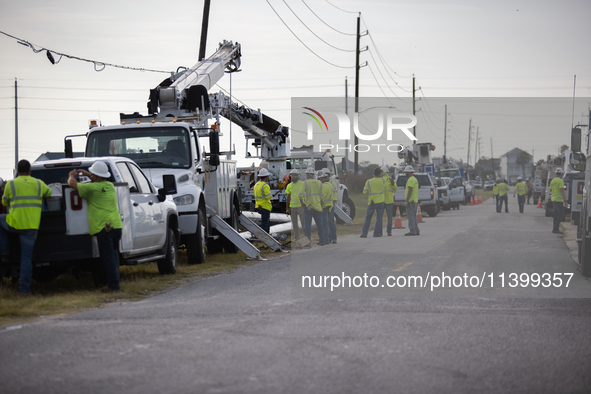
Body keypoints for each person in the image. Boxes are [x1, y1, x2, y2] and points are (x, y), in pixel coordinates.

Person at [68, 162, 123, 292]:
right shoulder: (109, 185)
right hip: (116, 226)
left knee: (108, 258)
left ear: (96, 176)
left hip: (104, 227)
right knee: (113, 257)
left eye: (93, 174)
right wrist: (89, 174)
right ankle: (115, 283)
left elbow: (72, 184)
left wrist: (71, 175)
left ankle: (114, 286)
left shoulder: (91, 189)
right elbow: (99, 180)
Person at [0, 160, 52, 295]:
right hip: (31, 226)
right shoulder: (39, 183)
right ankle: (24, 290)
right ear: (29, 170)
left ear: (17, 170)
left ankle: (4, 252)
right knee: (26, 258)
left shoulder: (10, 184)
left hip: (14, 224)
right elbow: (49, 193)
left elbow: (5, 201)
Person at [299, 168, 325, 247]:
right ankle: (322, 241)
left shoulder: (305, 183)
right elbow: (322, 196)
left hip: (309, 207)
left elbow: (300, 195)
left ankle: (307, 242)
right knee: (320, 224)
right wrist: (321, 205)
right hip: (318, 207)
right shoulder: (319, 183)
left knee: (307, 225)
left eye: (306, 174)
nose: (306, 176)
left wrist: (303, 204)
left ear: (308, 175)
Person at [361, 166, 386, 238]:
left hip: (372, 202)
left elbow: (364, 192)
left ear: (373, 173)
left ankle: (364, 233)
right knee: (379, 219)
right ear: (380, 173)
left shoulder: (368, 182)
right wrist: (382, 171)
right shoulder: (383, 180)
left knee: (368, 218)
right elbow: (386, 176)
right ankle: (376, 233)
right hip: (381, 202)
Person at [285, 169, 304, 241]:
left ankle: (306, 236)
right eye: (292, 175)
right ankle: (297, 237)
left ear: (298, 176)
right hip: (292, 207)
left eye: (295, 175)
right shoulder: (289, 186)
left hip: (301, 206)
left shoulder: (302, 184)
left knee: (303, 222)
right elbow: (288, 197)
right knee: (294, 224)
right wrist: (287, 208)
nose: (293, 177)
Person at [321, 168, 338, 244]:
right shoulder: (322, 184)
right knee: (326, 223)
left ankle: (333, 238)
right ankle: (328, 237)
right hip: (326, 206)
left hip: (330, 206)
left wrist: (331, 204)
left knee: (330, 222)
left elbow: (335, 196)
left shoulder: (333, 184)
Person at [254, 168, 272, 234]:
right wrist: (270, 194)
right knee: (265, 225)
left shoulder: (256, 185)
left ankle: (264, 238)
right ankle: (266, 238)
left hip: (258, 206)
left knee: (263, 223)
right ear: (266, 177)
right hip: (265, 207)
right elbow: (268, 196)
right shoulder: (265, 185)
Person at [403, 166, 420, 236]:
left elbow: (410, 190)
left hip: (411, 201)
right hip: (415, 200)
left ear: (409, 172)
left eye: (406, 172)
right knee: (414, 216)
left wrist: (407, 200)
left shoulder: (410, 180)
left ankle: (412, 230)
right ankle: (416, 230)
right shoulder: (415, 179)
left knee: (410, 216)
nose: (405, 173)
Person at [550, 168, 567, 234]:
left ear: (555, 173)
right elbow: (562, 191)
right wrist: (565, 201)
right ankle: (555, 228)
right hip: (559, 200)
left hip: (553, 199)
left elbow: (551, 190)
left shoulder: (553, 180)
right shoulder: (560, 181)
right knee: (561, 214)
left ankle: (555, 228)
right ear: (561, 174)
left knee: (556, 215)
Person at [382, 165, 397, 236]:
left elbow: (395, 189)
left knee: (388, 217)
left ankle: (388, 231)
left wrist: (393, 183)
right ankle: (384, 231)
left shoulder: (390, 180)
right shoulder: (381, 180)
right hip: (382, 200)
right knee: (386, 217)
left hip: (387, 201)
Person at [319, 171, 333, 245]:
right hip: (329, 206)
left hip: (324, 206)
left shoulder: (324, 186)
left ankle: (326, 239)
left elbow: (322, 197)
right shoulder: (330, 184)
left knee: (324, 224)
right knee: (327, 223)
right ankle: (329, 238)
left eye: (319, 178)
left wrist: (320, 206)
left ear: (322, 178)